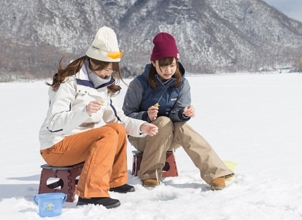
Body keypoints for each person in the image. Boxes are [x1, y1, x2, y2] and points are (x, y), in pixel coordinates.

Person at [38, 26, 158, 209]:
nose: (107, 74)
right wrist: (83, 112)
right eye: (105, 69)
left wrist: (142, 126)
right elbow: (53, 123)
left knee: (115, 130)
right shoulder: (69, 81)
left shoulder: (102, 86)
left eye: (111, 71)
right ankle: (90, 193)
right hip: (56, 146)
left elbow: (119, 120)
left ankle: (114, 181)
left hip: (78, 145)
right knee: (107, 134)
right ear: (93, 62)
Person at [122, 32, 234, 190]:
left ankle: (215, 172)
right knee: (163, 121)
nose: (168, 70)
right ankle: (149, 174)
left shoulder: (182, 84)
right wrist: (145, 116)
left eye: (172, 65)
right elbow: (125, 117)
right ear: (154, 63)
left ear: (177, 62)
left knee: (181, 126)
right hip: (142, 136)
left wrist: (184, 113)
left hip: (169, 136)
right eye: (163, 65)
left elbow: (177, 116)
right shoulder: (139, 84)